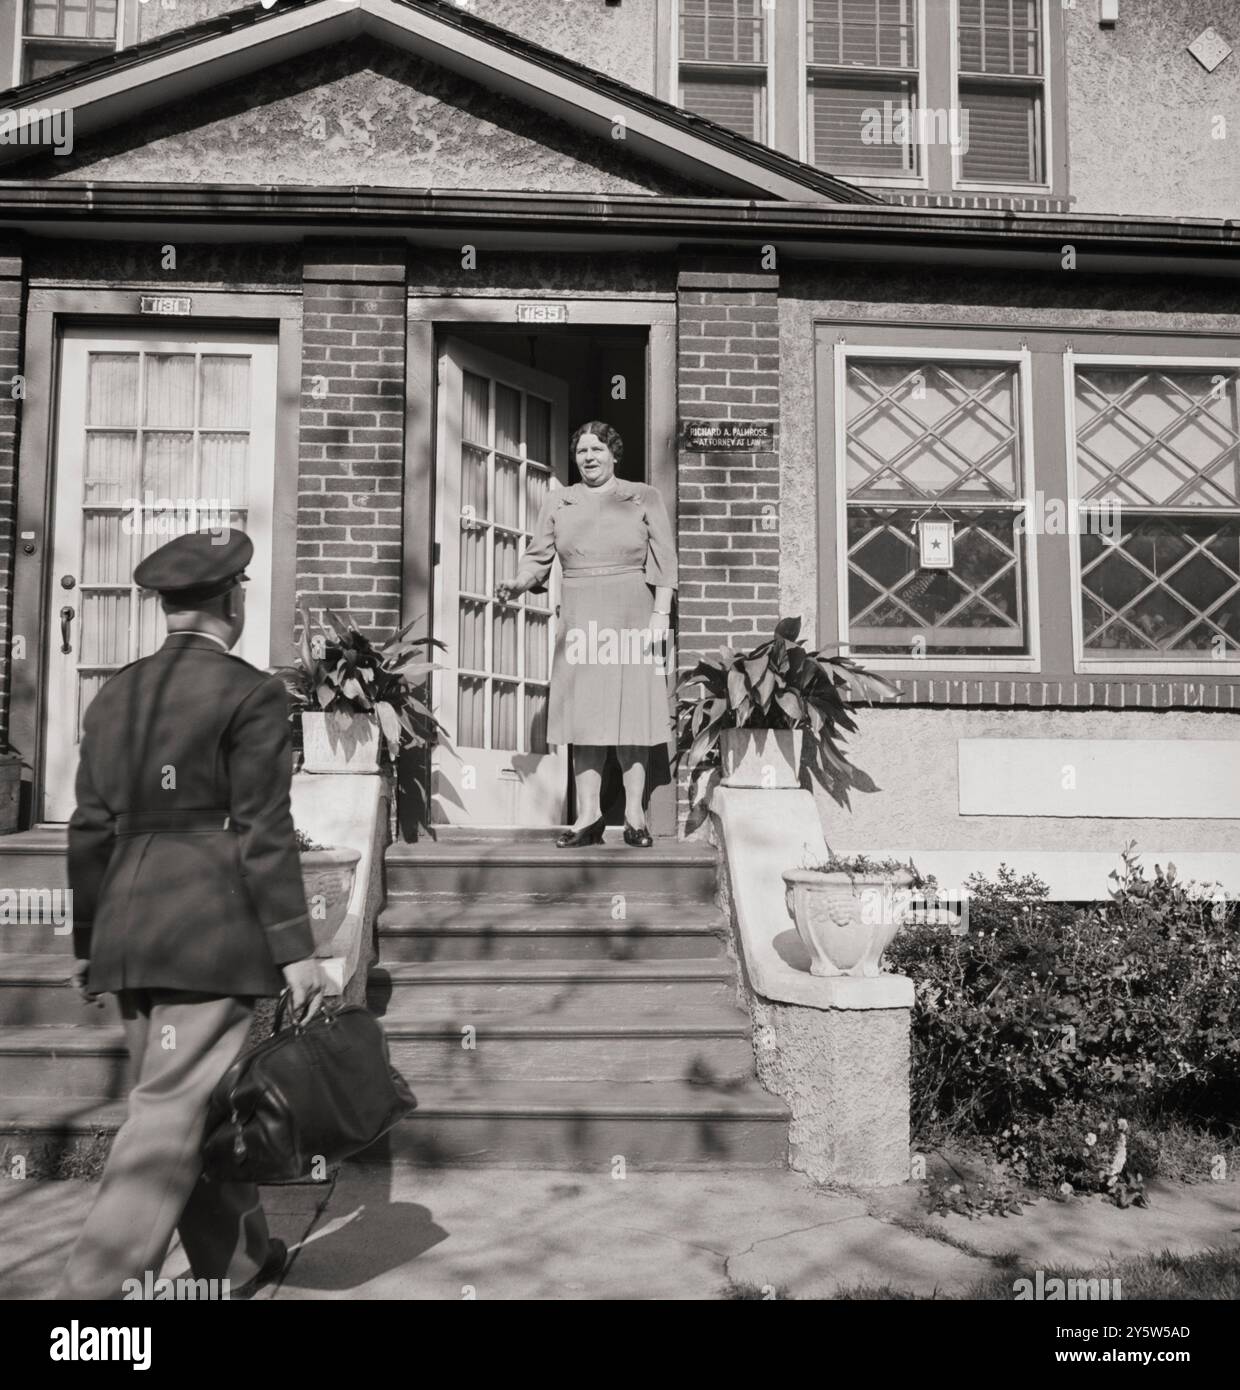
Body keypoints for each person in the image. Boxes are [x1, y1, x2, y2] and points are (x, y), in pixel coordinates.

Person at [56, 527, 327, 1301]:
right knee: (168, 1118)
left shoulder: (116, 692)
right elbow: (264, 831)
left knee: (193, 1103)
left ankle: (240, 1263)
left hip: (130, 928)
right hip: (208, 928)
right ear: (233, 601)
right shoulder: (251, 692)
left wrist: (86, 941)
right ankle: (88, 1308)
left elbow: (88, 829)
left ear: (169, 606)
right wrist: (295, 948)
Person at [495, 421, 677, 848]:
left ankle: (634, 815)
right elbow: (537, 557)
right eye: (581, 451)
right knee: (585, 714)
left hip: (634, 610)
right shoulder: (561, 500)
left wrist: (660, 614)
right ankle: (588, 815)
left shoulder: (643, 495)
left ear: (614, 454)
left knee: (633, 714)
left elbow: (665, 558)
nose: (589, 457)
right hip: (581, 613)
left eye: (597, 449)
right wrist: (518, 584)